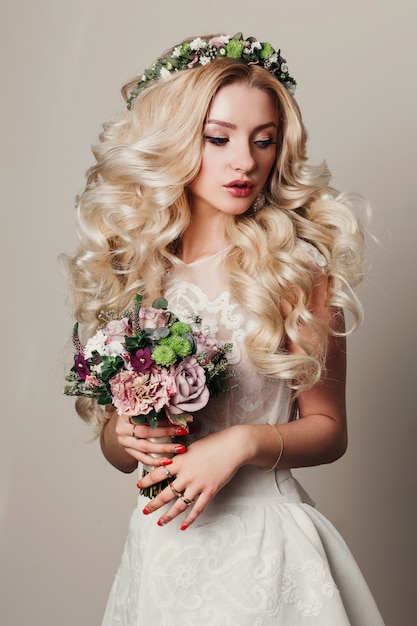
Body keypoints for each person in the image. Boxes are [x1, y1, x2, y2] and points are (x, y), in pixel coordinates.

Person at [67, 33, 385, 625]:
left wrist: (241, 443)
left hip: (266, 549)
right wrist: (125, 434)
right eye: (219, 139)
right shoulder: (136, 272)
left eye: (263, 142)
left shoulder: (293, 272)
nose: (245, 161)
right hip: (163, 545)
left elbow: (331, 430)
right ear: (176, 140)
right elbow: (119, 452)